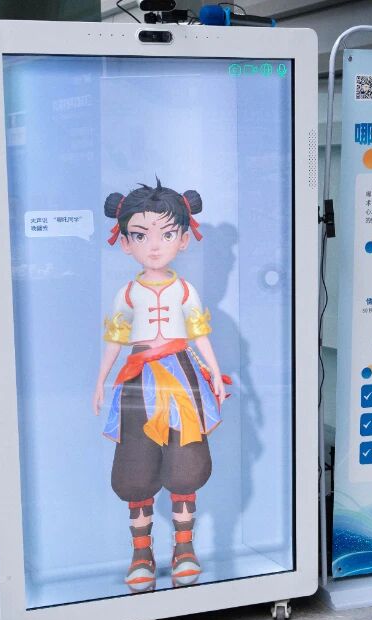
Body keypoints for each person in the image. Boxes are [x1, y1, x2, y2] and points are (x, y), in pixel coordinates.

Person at [93, 179, 231, 593]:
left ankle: (184, 548)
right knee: (135, 464)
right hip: (137, 379)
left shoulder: (185, 290)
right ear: (125, 242)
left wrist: (215, 373)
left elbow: (200, 335)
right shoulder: (127, 293)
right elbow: (115, 340)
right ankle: (141, 554)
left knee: (185, 459)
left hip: (183, 378)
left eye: (166, 234)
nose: (154, 245)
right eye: (141, 235)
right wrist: (101, 381)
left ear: (183, 239)